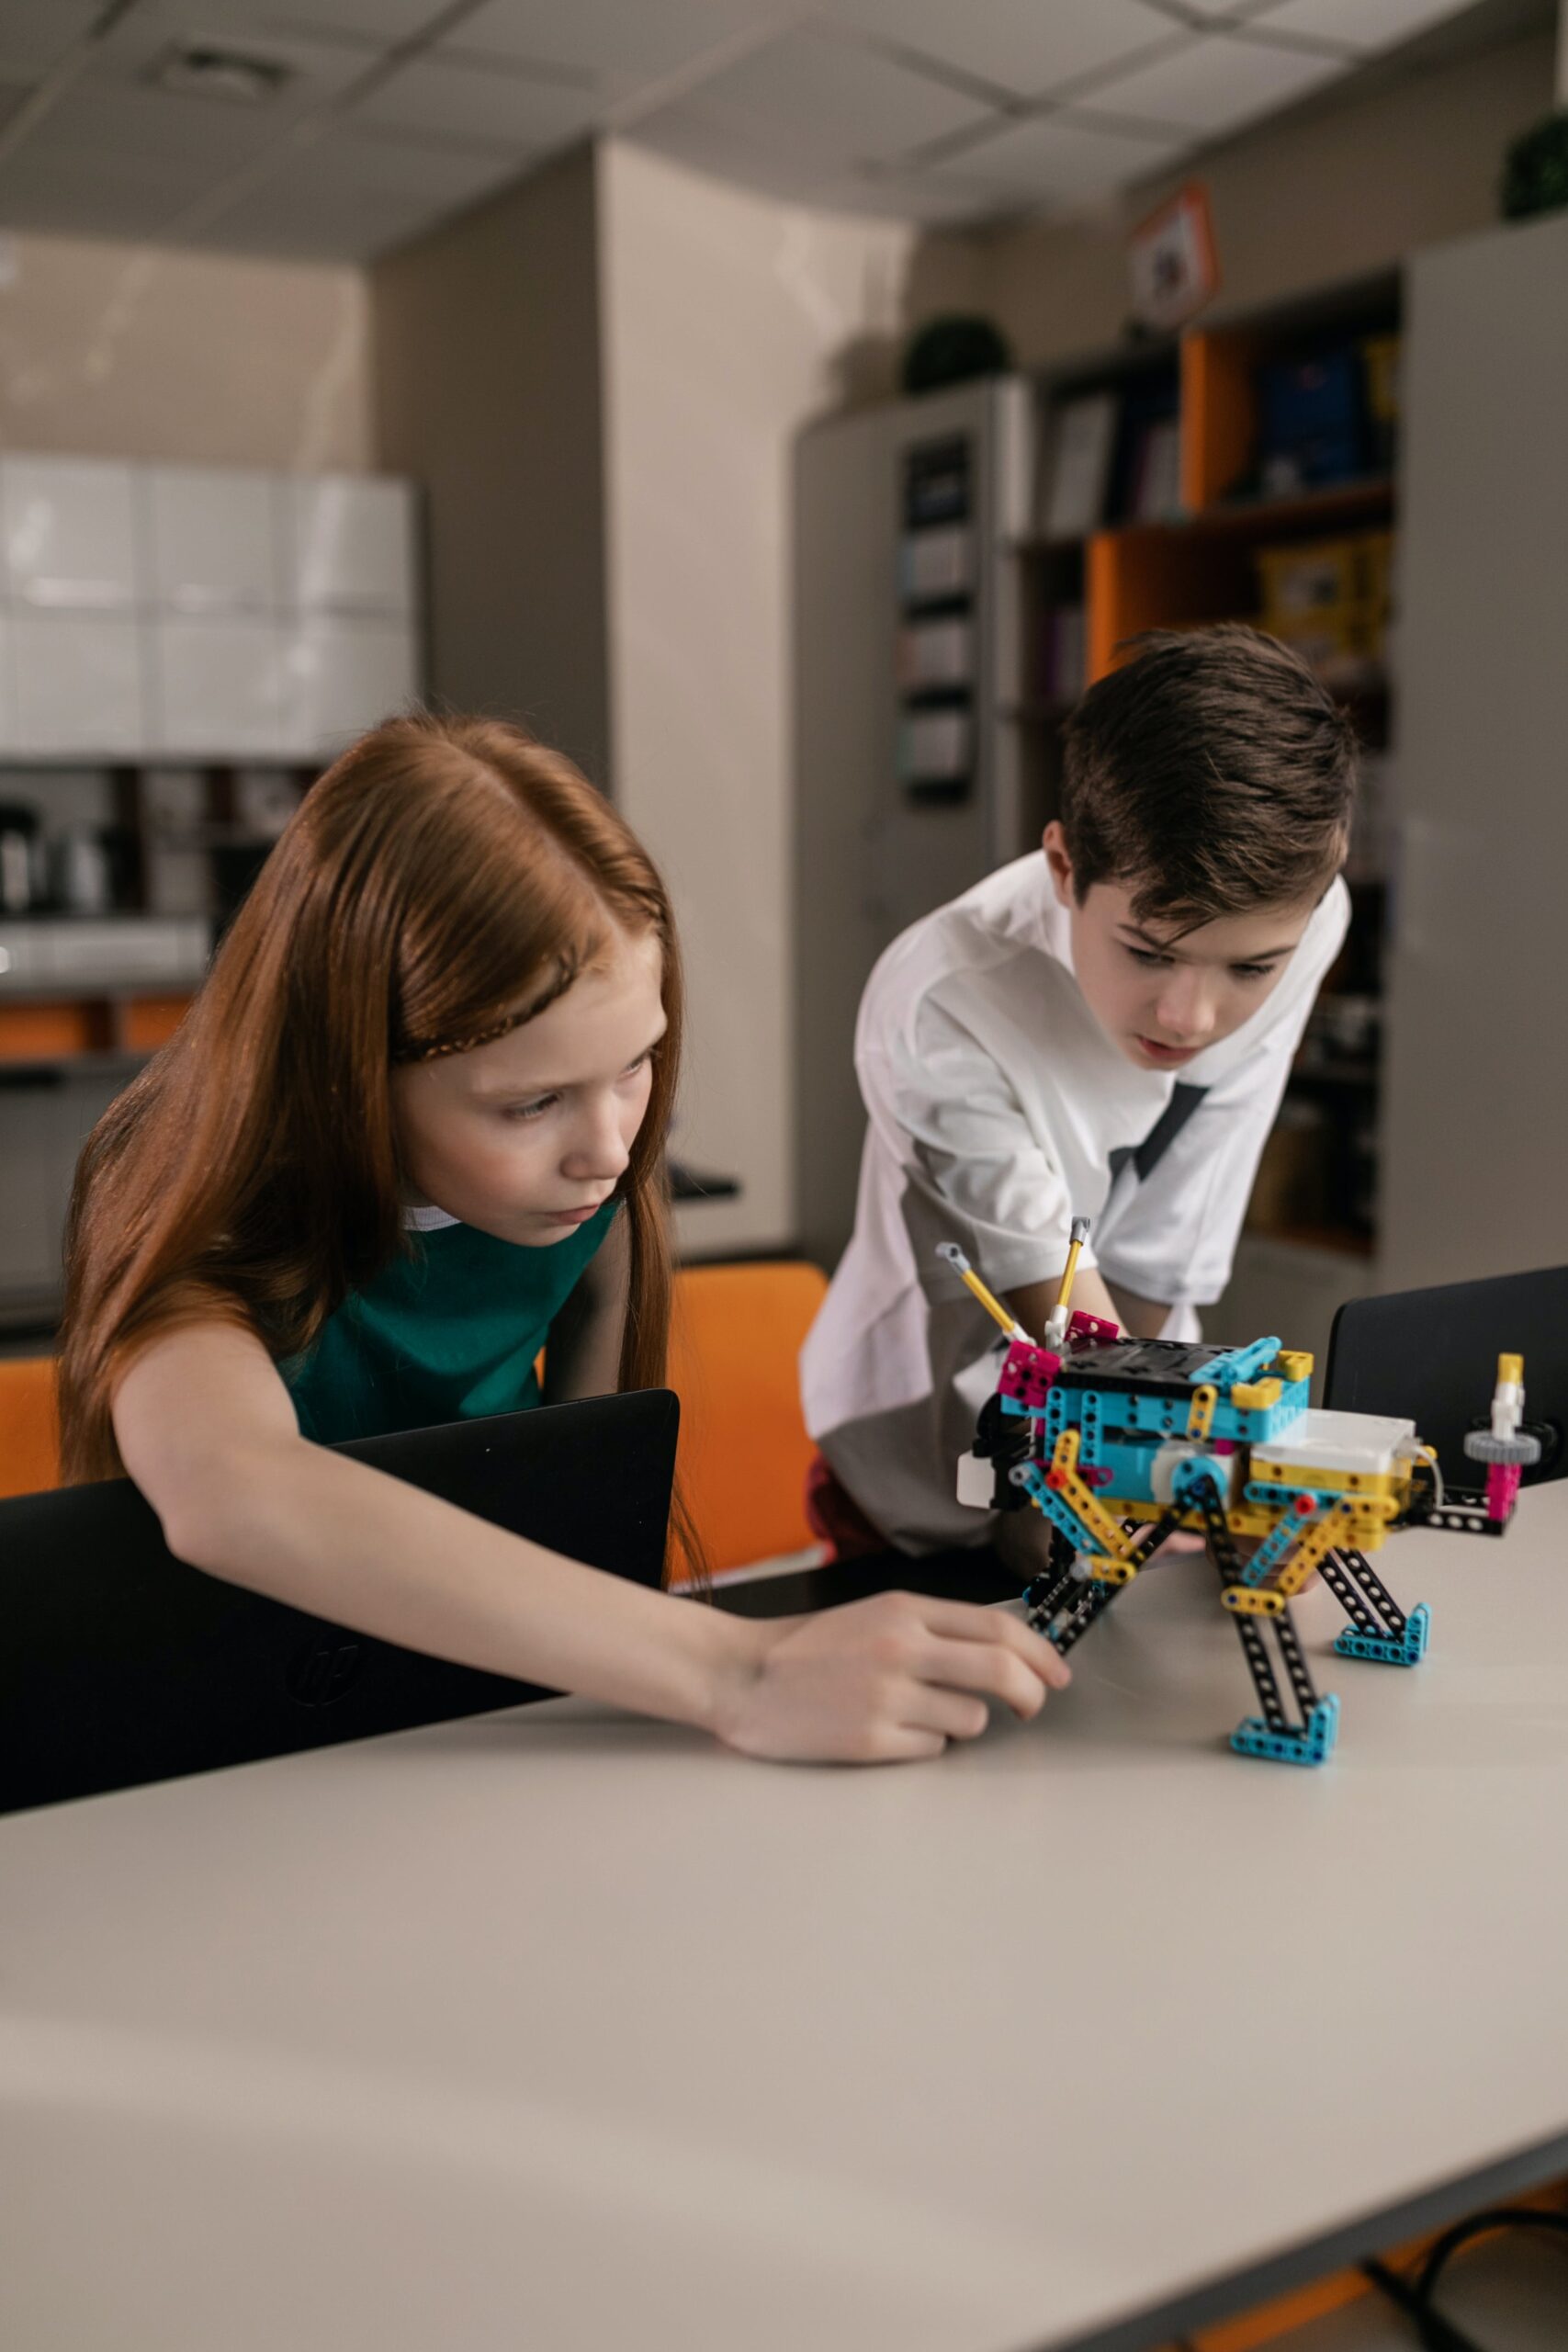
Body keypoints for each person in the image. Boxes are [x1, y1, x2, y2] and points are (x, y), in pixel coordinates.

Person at [56, 713, 1066, 1765]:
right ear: (349, 1067)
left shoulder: (588, 1189)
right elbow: (230, 1491)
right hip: (232, 1730)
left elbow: (583, 1505)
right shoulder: (194, 1203)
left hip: (484, 1714)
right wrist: (741, 1670)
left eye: (636, 1066)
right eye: (530, 1102)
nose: (610, 1148)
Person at [801, 626, 1357, 1564]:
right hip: (923, 1465)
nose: (1192, 1014)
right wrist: (1153, 1469)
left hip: (1129, 1432)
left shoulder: (1308, 923)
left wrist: (1166, 1467)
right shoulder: (944, 1006)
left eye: (1251, 966)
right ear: (1064, 868)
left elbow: (1176, 1228)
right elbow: (1068, 1328)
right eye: (1148, 951)